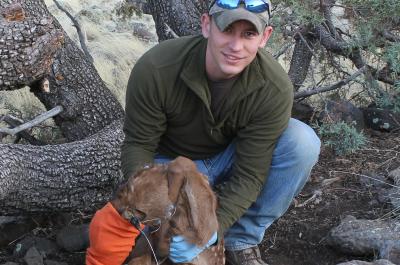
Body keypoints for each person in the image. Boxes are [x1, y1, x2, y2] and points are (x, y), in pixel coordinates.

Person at [121, 0, 321, 264]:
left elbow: (250, 175)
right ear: (206, 25)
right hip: (170, 169)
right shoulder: (157, 68)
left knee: (302, 142)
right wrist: (150, 202)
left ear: (265, 37)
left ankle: (240, 239)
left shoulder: (274, 88)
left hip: (228, 160)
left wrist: (210, 231)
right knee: (154, 244)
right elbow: (139, 145)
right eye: (227, 30)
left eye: (249, 34)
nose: (236, 46)